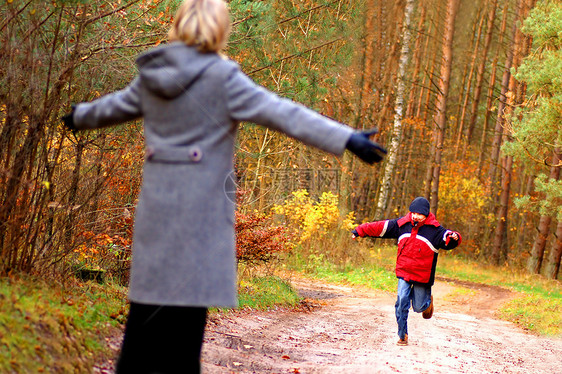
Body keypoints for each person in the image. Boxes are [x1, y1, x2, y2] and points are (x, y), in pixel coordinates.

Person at [62, 0, 386, 372]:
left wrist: (78, 115)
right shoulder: (221, 77)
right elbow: (281, 112)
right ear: (219, 29)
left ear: (179, 23)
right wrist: (346, 138)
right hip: (201, 218)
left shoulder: (155, 73)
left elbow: (113, 107)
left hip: (158, 212)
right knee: (184, 337)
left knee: (142, 326)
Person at [351, 197, 461, 346]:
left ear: (426, 215)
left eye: (419, 214)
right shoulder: (402, 225)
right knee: (401, 300)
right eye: (413, 212)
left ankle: (427, 303)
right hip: (404, 272)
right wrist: (360, 230)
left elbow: (447, 237)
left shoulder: (435, 230)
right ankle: (402, 335)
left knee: (418, 307)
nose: (415, 216)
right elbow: (380, 227)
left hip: (422, 276)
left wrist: (454, 237)